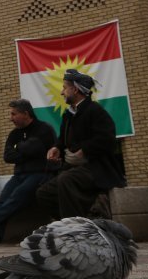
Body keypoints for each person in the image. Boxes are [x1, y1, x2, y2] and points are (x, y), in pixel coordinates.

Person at [35, 69, 125, 220]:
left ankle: (75, 228)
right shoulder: (69, 114)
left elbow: (107, 140)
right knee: (44, 193)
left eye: (64, 88)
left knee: (66, 180)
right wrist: (57, 148)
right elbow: (62, 140)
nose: (62, 92)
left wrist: (85, 150)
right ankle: (77, 220)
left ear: (75, 89)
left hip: (96, 168)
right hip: (75, 169)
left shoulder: (95, 111)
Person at [0, 99, 56, 245]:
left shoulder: (44, 129)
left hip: (40, 174)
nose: (10, 118)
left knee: (18, 195)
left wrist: (20, 148)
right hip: (19, 174)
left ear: (25, 114)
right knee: (3, 199)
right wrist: (25, 149)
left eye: (14, 114)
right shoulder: (14, 134)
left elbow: (37, 148)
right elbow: (7, 157)